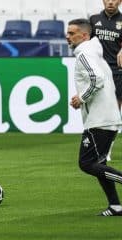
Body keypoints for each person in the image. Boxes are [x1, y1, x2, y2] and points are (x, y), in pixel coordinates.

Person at [67, 18, 122, 216]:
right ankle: (115, 206)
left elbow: (96, 79)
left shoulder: (85, 55)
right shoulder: (94, 51)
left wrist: (81, 98)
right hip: (107, 117)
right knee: (100, 164)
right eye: (68, 33)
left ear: (84, 35)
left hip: (100, 119)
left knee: (87, 163)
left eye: (72, 33)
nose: (68, 36)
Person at [90, 0, 122, 160]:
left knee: (114, 114)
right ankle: (95, 145)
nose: (110, 2)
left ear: (120, 1)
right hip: (97, 72)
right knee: (97, 112)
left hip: (117, 72)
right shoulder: (93, 20)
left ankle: (107, 148)